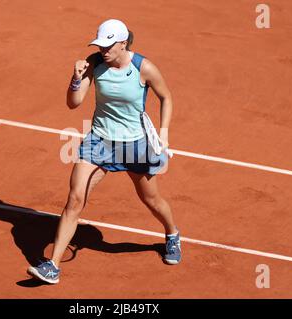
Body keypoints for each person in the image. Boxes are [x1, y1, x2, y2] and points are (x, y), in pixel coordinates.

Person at [27, 19, 181, 284]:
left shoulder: (143, 68)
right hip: (99, 141)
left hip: (135, 145)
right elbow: (73, 104)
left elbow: (166, 97)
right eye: (100, 45)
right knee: (75, 199)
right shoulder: (94, 63)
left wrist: (164, 133)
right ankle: (52, 265)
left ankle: (172, 234)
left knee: (152, 200)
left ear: (123, 44)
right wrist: (76, 79)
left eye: (109, 45)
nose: (103, 50)